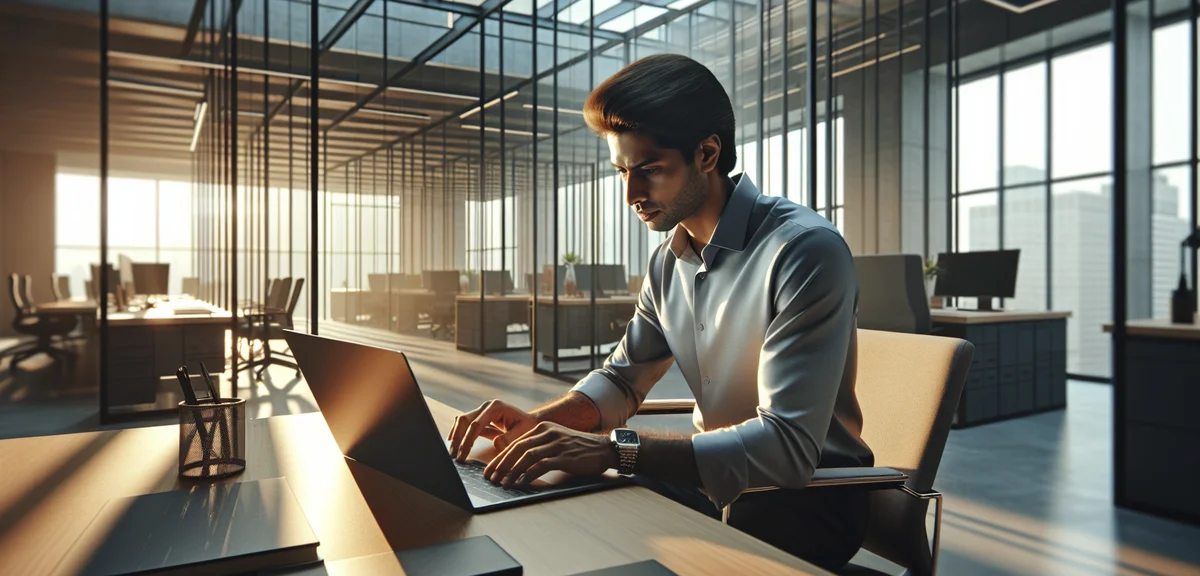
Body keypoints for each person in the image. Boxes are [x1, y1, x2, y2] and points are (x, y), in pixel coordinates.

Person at [447, 53, 874, 570]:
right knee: (554, 526)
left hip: (804, 506)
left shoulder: (804, 250)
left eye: (649, 170)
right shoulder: (668, 260)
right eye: (622, 171)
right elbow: (624, 381)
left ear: (708, 153)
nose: (631, 194)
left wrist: (614, 450)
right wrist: (535, 426)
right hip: (713, 488)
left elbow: (786, 448)